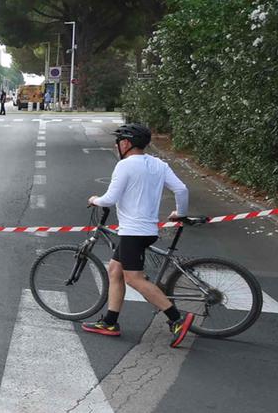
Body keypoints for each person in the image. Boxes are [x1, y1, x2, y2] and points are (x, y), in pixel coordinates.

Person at [81, 123, 194, 345]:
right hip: (147, 230)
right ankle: (110, 322)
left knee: (134, 278)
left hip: (134, 232)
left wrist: (94, 200)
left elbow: (110, 200)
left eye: (118, 142)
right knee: (115, 270)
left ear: (125, 143)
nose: (116, 146)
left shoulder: (125, 166)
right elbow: (181, 189)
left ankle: (177, 319)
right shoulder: (159, 164)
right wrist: (180, 213)